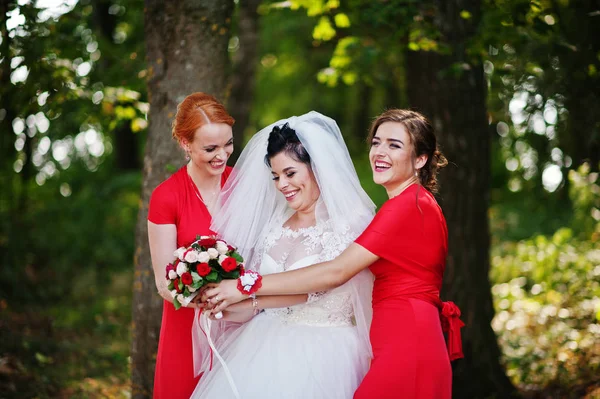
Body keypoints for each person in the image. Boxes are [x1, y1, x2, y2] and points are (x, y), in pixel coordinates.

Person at [203, 109, 465, 399]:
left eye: (394, 145)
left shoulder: (406, 207)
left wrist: (243, 285)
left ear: (420, 159)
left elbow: (335, 272)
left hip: (408, 340)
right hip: (399, 337)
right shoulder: (411, 204)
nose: (380, 151)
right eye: (376, 142)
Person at [190, 112, 376, 399]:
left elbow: (314, 289)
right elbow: (260, 306)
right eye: (276, 176)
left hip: (325, 354)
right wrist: (220, 303)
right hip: (260, 346)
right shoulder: (274, 226)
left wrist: (242, 291)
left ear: (318, 168)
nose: (281, 185)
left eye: (290, 173)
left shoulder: (350, 224)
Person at [147, 92, 235, 399]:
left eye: (228, 145)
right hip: (185, 325)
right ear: (186, 144)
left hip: (239, 324)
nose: (222, 156)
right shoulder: (166, 196)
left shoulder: (243, 186)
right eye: (210, 148)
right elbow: (162, 281)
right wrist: (197, 298)